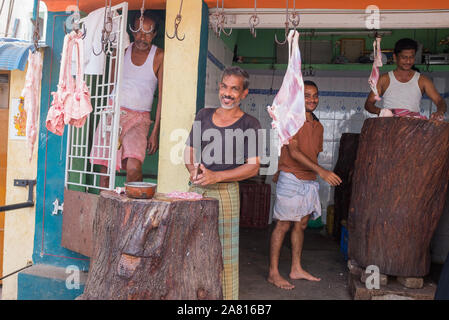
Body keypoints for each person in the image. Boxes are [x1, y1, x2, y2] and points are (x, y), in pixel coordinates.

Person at [184, 66, 261, 300]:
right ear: (219, 87)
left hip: (227, 193)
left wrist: (217, 176)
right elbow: (188, 152)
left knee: (225, 253)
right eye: (225, 87)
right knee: (192, 248)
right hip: (198, 189)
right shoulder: (204, 115)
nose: (228, 93)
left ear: (244, 94)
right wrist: (194, 169)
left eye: (234, 89)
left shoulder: (250, 124)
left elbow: (253, 166)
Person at [267, 80, 342, 290]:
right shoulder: (291, 120)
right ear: (298, 99)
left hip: (309, 181)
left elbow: (313, 154)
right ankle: (273, 273)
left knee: (300, 225)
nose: (312, 99)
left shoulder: (318, 126)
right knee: (283, 224)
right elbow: (294, 152)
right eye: (307, 95)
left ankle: (296, 268)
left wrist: (316, 173)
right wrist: (322, 172)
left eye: (315, 95)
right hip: (291, 177)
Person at [91, 10, 164, 187]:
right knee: (105, 168)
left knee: (133, 166)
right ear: (131, 30)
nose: (142, 37)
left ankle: (132, 206)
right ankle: (105, 205)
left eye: (147, 32)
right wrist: (108, 110)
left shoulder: (159, 55)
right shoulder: (123, 50)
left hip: (140, 119)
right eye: (138, 31)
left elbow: (162, 96)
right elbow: (111, 83)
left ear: (154, 34)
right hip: (114, 112)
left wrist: (154, 133)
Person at [365, 38, 446, 120]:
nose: (408, 61)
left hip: (413, 126)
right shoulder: (384, 79)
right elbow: (369, 103)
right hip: (389, 126)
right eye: (404, 57)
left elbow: (439, 101)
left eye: (411, 57)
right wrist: (381, 111)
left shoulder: (422, 80)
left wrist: (440, 111)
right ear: (395, 57)